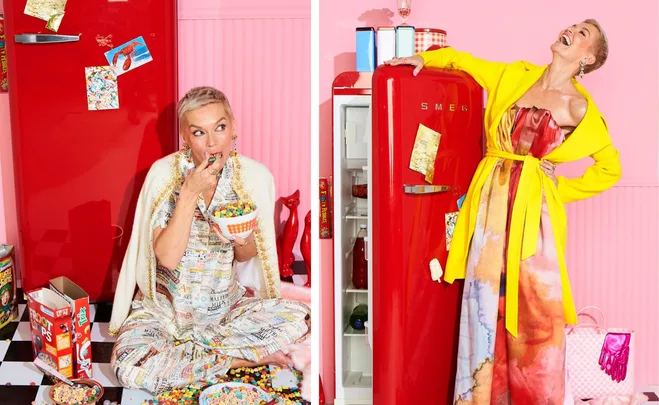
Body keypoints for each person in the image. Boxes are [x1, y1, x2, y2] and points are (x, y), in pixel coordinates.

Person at [386, 19, 621, 404]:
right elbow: (464, 61)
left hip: (535, 217)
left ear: (588, 58)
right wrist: (423, 60)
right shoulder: (515, 74)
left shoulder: (579, 107)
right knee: (483, 303)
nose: (571, 30)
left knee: (536, 311)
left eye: (583, 34)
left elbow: (610, 168)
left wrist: (560, 187)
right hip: (491, 208)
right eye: (574, 25)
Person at [108, 86, 310, 395]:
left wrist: (241, 238)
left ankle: (196, 357)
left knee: (298, 319)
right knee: (126, 365)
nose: (213, 142)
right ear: (185, 137)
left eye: (220, 128)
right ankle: (242, 360)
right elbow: (168, 258)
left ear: (234, 128)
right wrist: (189, 194)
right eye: (199, 132)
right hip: (165, 314)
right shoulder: (164, 176)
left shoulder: (253, 178)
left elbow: (246, 256)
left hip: (225, 311)